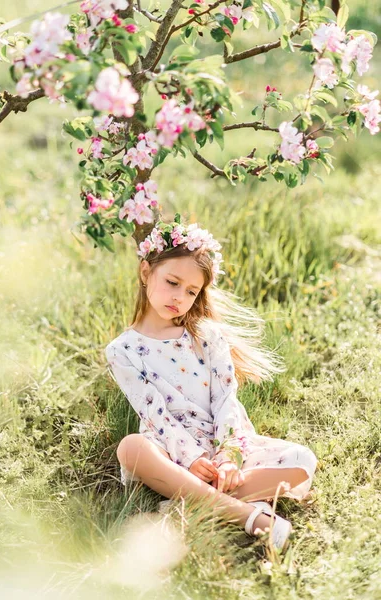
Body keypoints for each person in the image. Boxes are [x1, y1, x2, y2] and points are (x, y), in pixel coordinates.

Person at [105, 215, 317, 553]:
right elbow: (155, 415)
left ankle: (188, 507)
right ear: (146, 272)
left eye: (191, 291)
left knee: (302, 460)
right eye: (172, 282)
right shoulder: (122, 350)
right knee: (131, 448)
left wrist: (227, 456)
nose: (179, 296)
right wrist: (191, 458)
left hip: (225, 445)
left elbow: (225, 399)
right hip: (172, 452)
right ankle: (251, 517)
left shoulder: (207, 335)